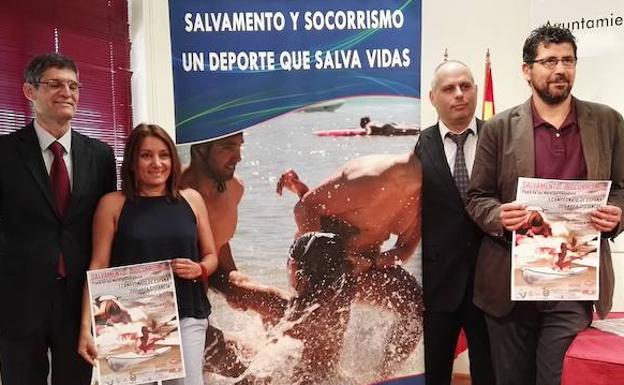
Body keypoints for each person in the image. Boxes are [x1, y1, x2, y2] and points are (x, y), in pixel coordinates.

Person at [467, 25, 624, 385]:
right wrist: (498, 215)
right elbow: (477, 198)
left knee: (559, 378)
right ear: (527, 70)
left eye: (568, 60)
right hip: (509, 286)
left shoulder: (608, 122)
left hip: (575, 285)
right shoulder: (498, 127)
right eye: (549, 60)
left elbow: (622, 189)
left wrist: (617, 215)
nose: (560, 69)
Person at [0, 52, 117, 385]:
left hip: (79, 301)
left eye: (73, 86)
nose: (67, 93)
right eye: (54, 84)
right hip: (18, 298)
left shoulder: (101, 156)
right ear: (29, 91)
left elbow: (105, 231)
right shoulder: (5, 153)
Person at [77, 124, 219, 385]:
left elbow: (211, 255)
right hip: (129, 320)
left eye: (164, 155)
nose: (157, 163)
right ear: (132, 161)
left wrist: (199, 269)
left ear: (173, 160)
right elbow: (98, 267)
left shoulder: (191, 199)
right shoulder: (113, 204)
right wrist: (86, 327)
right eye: (146, 155)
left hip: (187, 312)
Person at [276, 151, 424, 377]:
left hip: (364, 266)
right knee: (320, 364)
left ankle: (382, 376)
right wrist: (322, 270)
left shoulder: (428, 198)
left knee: (416, 304)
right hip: (320, 266)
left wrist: (371, 262)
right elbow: (306, 208)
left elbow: (404, 250)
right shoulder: (371, 176)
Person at [180, 133, 288, 377]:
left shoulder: (234, 188)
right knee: (255, 373)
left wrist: (235, 283)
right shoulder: (172, 192)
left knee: (283, 306)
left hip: (212, 273)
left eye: (240, 147)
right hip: (179, 299)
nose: (238, 157)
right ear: (199, 150)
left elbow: (218, 241)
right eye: (228, 147)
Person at [414, 60, 494, 385]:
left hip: (490, 285)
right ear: (433, 98)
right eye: (449, 88)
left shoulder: (499, 138)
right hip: (437, 287)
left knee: (490, 374)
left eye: (466, 86)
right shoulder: (418, 147)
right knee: (435, 374)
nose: (459, 94)